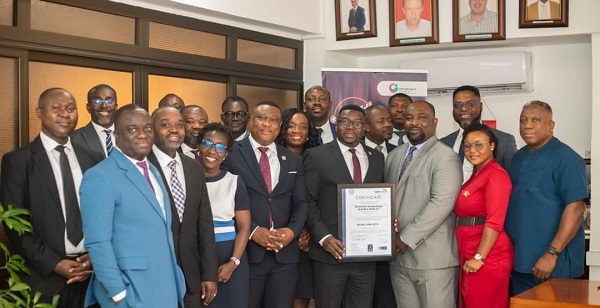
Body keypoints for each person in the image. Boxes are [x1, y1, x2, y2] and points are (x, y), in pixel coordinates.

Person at [0, 88, 103, 307]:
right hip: (44, 279)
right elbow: (16, 227)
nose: (65, 114)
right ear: (39, 112)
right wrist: (55, 263)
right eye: (56, 108)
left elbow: (103, 214)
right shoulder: (18, 162)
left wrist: (95, 255)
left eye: (70, 109)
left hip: (91, 274)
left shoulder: (92, 159)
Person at [80, 104, 186, 307]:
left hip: (166, 287)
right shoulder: (100, 176)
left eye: (147, 128)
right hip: (130, 292)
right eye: (132, 129)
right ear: (117, 135)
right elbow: (98, 242)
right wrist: (118, 293)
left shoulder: (153, 170)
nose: (143, 134)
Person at [222, 101, 308, 308]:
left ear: (280, 126)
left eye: (274, 120)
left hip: (284, 257)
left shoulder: (292, 160)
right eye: (262, 118)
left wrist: (291, 231)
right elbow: (223, 203)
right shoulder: (231, 154)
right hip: (247, 254)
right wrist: (252, 231)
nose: (267, 124)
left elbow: (301, 202)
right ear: (251, 120)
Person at [304, 104, 385, 308]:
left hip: (366, 258)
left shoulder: (377, 158)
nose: (351, 127)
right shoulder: (317, 155)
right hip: (330, 254)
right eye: (345, 122)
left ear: (365, 127)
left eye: (357, 123)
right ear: (336, 123)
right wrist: (324, 238)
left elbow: (380, 200)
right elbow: (308, 200)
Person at [384, 101, 462, 307]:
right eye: (409, 118)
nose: (414, 122)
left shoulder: (446, 157)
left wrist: (406, 238)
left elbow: (441, 203)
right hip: (398, 259)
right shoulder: (393, 156)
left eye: (421, 117)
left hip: (432, 259)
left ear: (435, 122)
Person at [505, 100, 588, 295]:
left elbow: (576, 208)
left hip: (554, 265)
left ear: (551, 126)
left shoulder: (566, 158)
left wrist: (552, 254)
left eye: (535, 120)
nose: (527, 125)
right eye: (523, 120)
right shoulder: (519, 158)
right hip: (522, 262)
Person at [147, 107, 219, 306]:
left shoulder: (194, 167)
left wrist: (209, 274)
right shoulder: (142, 166)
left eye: (179, 125)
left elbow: (204, 223)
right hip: (154, 274)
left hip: (192, 276)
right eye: (165, 124)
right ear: (151, 128)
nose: (174, 130)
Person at [454, 122, 513, 308]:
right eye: (468, 146)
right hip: (470, 249)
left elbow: (495, 222)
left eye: (479, 145)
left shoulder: (496, 175)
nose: (473, 150)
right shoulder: (477, 173)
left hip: (488, 255)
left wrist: (479, 257)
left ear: (492, 145)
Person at [197, 122, 251, 307]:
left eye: (220, 147)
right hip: (197, 259)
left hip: (229, 260)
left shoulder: (234, 182)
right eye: (207, 144)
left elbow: (244, 228)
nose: (212, 151)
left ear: (226, 153)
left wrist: (233, 262)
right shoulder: (186, 179)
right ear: (199, 146)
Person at [276, 108, 319, 308]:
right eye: (291, 125)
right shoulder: (272, 157)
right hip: (281, 236)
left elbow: (319, 200)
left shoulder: (320, 158)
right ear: (283, 129)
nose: (297, 131)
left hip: (312, 240)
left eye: (303, 126)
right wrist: (296, 231)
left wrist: (309, 232)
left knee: (302, 295)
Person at [441, 85, 517, 183]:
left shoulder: (504, 140)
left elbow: (512, 182)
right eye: (458, 105)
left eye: (470, 104)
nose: (463, 108)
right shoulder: (443, 143)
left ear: (481, 106)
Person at [71, 84, 118, 158]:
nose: (104, 106)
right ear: (88, 107)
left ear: (116, 107)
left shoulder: (128, 136)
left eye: (109, 101)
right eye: (97, 101)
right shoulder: (73, 138)